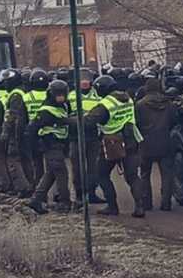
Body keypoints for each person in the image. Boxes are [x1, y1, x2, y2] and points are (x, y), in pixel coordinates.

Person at [82, 75, 145, 218]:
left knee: (102, 174)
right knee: (133, 176)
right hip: (131, 139)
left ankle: (112, 207)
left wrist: (68, 120)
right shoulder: (128, 98)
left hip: (112, 143)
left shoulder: (106, 104)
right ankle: (140, 207)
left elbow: (89, 121)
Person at [28, 79, 72, 214]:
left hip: (59, 144)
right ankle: (64, 202)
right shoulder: (45, 110)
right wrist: (36, 145)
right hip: (50, 143)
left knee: (51, 174)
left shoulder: (64, 106)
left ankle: (36, 200)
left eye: (63, 94)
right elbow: (32, 128)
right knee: (61, 173)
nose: (61, 97)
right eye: (58, 94)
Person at [137, 75, 177, 212]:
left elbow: (137, 123)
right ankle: (166, 203)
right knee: (167, 174)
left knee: (144, 173)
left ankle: (146, 203)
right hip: (165, 141)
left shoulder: (140, 105)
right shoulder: (169, 104)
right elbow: (174, 121)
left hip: (146, 143)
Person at [67, 69, 105, 206]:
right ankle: (79, 195)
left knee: (93, 167)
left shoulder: (97, 96)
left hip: (93, 136)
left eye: (87, 79)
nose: (84, 82)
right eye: (82, 79)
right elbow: (66, 114)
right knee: (77, 167)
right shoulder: (71, 96)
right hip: (75, 136)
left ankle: (92, 193)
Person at [0, 69, 32, 198]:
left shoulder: (15, 95)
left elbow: (12, 116)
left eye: (6, 82)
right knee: (26, 159)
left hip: (16, 132)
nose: (4, 85)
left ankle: (23, 188)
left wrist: (6, 132)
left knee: (13, 159)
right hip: (27, 131)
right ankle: (31, 185)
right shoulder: (25, 91)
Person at [22, 69, 50, 190]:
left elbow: (22, 118)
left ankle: (39, 187)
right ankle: (52, 190)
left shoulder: (27, 97)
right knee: (51, 164)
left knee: (37, 163)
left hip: (33, 132)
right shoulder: (50, 94)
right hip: (49, 132)